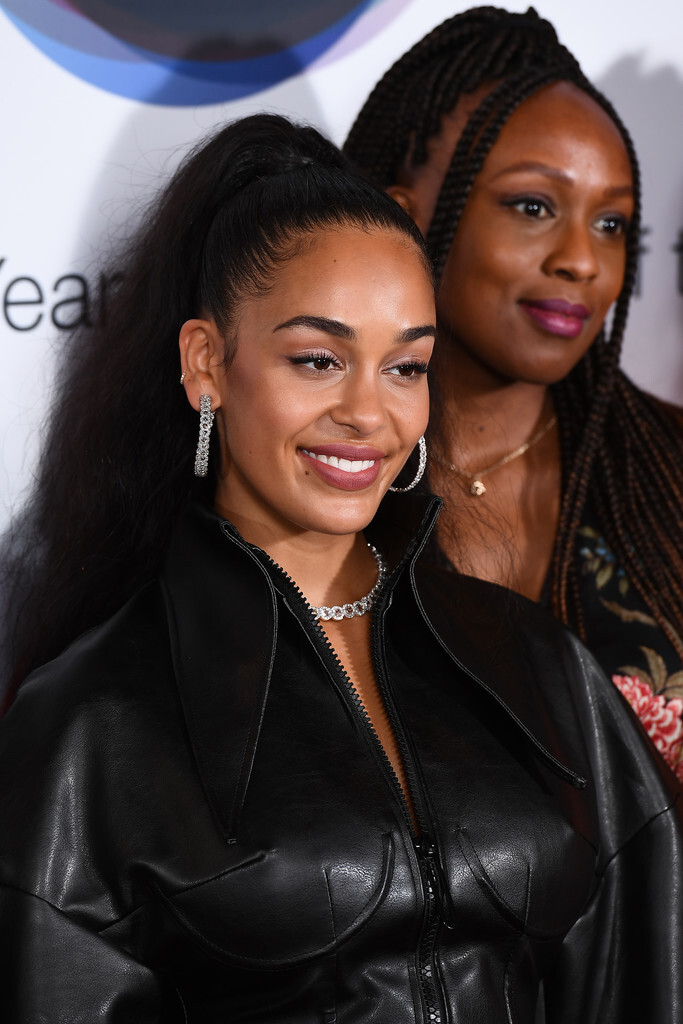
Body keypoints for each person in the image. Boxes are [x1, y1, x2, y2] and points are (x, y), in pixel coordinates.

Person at [0, 113, 681, 1022]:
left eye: (405, 367)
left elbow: (642, 974)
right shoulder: (90, 725)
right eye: (318, 359)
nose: (367, 413)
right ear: (207, 364)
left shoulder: (539, 669)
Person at [343, 4, 683, 781]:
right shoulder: (316, 477)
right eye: (533, 207)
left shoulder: (665, 470)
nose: (581, 261)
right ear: (403, 217)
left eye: (611, 224)